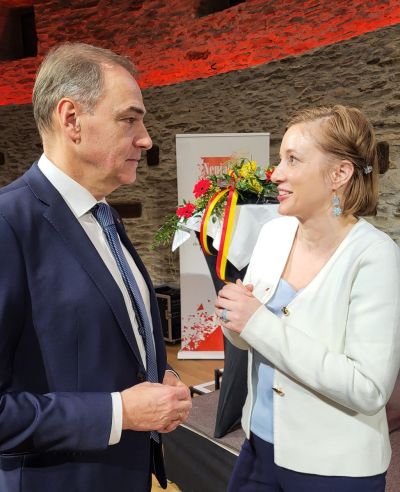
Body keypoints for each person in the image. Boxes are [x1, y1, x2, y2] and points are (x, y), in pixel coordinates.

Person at [0, 42, 192, 492]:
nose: (146, 138)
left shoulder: (103, 216)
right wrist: (120, 413)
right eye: (129, 119)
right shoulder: (9, 224)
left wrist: (160, 378)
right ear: (71, 120)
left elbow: (109, 336)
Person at [215, 105, 400, 492]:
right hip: (258, 445)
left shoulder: (376, 256)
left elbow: (368, 389)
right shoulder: (273, 234)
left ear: (339, 174)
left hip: (334, 467)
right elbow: (249, 337)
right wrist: (234, 319)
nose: (275, 173)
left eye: (293, 159)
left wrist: (257, 322)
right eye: (280, 158)